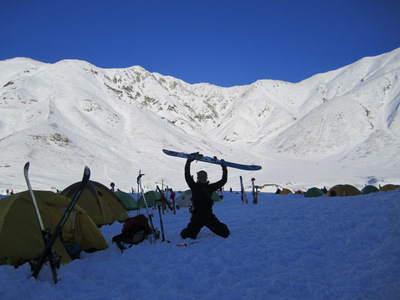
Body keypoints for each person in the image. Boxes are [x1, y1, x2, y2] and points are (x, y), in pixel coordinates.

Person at [180, 156, 230, 239]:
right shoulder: (194, 186)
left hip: (209, 216)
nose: (202, 178)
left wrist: (224, 168)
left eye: (204, 176)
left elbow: (223, 181)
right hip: (197, 217)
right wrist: (188, 162)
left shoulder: (210, 187)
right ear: (197, 178)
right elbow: (187, 176)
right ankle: (187, 230)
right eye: (200, 176)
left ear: (207, 178)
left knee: (225, 233)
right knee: (187, 236)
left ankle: (221, 225)